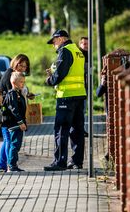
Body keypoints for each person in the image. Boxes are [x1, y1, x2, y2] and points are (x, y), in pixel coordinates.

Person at [44, 30, 86, 171]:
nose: (53, 45)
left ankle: (60, 162)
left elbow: (60, 74)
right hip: (79, 95)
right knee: (77, 130)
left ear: (61, 39)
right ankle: (76, 162)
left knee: (61, 130)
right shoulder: (77, 51)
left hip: (66, 97)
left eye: (54, 41)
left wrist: (49, 80)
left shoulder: (65, 51)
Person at [0, 72, 27, 172]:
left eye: (24, 82)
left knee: (16, 145)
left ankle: (13, 164)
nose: (23, 84)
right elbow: (14, 109)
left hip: (17, 123)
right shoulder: (12, 94)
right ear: (14, 82)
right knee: (14, 144)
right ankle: (11, 165)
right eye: (21, 82)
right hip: (14, 124)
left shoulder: (18, 93)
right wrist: (20, 122)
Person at [78, 37, 89, 137]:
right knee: (81, 110)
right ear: (80, 44)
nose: (86, 46)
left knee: (83, 110)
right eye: (84, 44)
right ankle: (80, 130)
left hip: (86, 86)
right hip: (79, 86)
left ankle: (81, 129)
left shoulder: (88, 55)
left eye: (87, 44)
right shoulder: (79, 55)